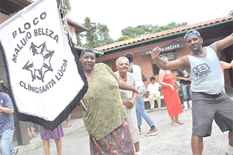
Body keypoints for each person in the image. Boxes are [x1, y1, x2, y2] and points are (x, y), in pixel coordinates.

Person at [150, 29, 233, 155]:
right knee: (198, 132)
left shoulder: (214, 48)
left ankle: (230, 150)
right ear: (187, 45)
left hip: (221, 96)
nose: (193, 42)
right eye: (189, 41)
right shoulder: (187, 60)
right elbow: (166, 65)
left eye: (195, 39)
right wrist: (156, 58)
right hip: (202, 99)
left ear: (201, 40)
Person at [79, 49, 143, 155]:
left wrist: (133, 88)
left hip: (119, 120)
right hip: (99, 128)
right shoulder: (77, 80)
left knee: (128, 151)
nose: (89, 60)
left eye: (92, 58)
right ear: (80, 59)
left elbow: (118, 82)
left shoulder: (103, 67)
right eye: (86, 57)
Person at [125, 52, 157, 136]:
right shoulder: (138, 67)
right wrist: (139, 82)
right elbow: (145, 78)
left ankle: (153, 127)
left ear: (126, 60)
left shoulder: (129, 68)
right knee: (137, 110)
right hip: (143, 87)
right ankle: (138, 128)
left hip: (137, 90)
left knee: (141, 110)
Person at [115, 56, 141, 155]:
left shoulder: (131, 76)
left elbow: (135, 90)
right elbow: (110, 94)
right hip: (118, 108)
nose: (124, 66)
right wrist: (122, 101)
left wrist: (133, 101)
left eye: (126, 64)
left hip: (130, 106)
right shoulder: (113, 77)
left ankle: (138, 152)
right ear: (117, 66)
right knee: (121, 131)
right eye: (121, 64)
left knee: (134, 128)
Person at [158, 57, 184, 126]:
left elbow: (171, 79)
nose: (167, 62)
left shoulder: (168, 70)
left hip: (173, 90)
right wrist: (169, 85)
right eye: (165, 60)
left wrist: (176, 82)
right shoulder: (162, 71)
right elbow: (160, 82)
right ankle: (173, 121)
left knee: (177, 103)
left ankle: (177, 119)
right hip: (167, 91)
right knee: (171, 105)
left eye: (167, 60)